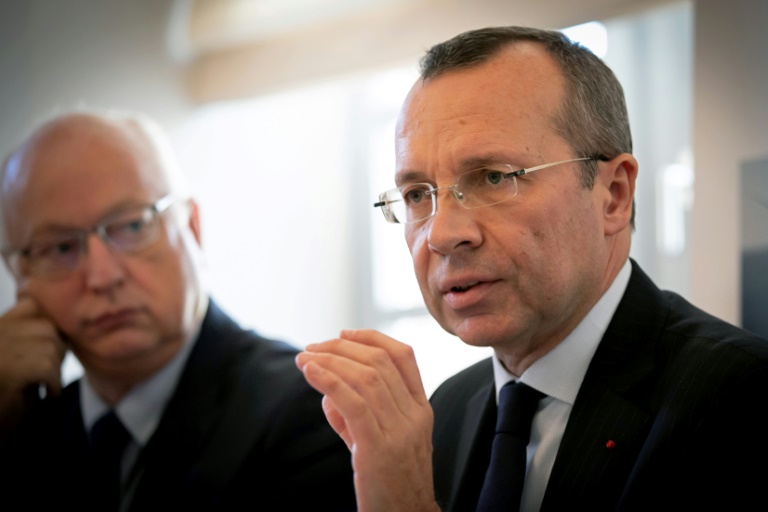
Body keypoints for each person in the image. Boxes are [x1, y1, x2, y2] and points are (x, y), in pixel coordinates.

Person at [295, 25, 768, 511]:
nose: (441, 234)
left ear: (613, 195)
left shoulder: (742, 399)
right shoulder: (449, 408)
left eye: (494, 178)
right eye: (417, 194)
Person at [0, 109, 355, 511]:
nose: (102, 277)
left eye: (132, 226)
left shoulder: (315, 413)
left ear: (192, 227)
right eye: (61, 248)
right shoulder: (17, 432)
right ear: (19, 274)